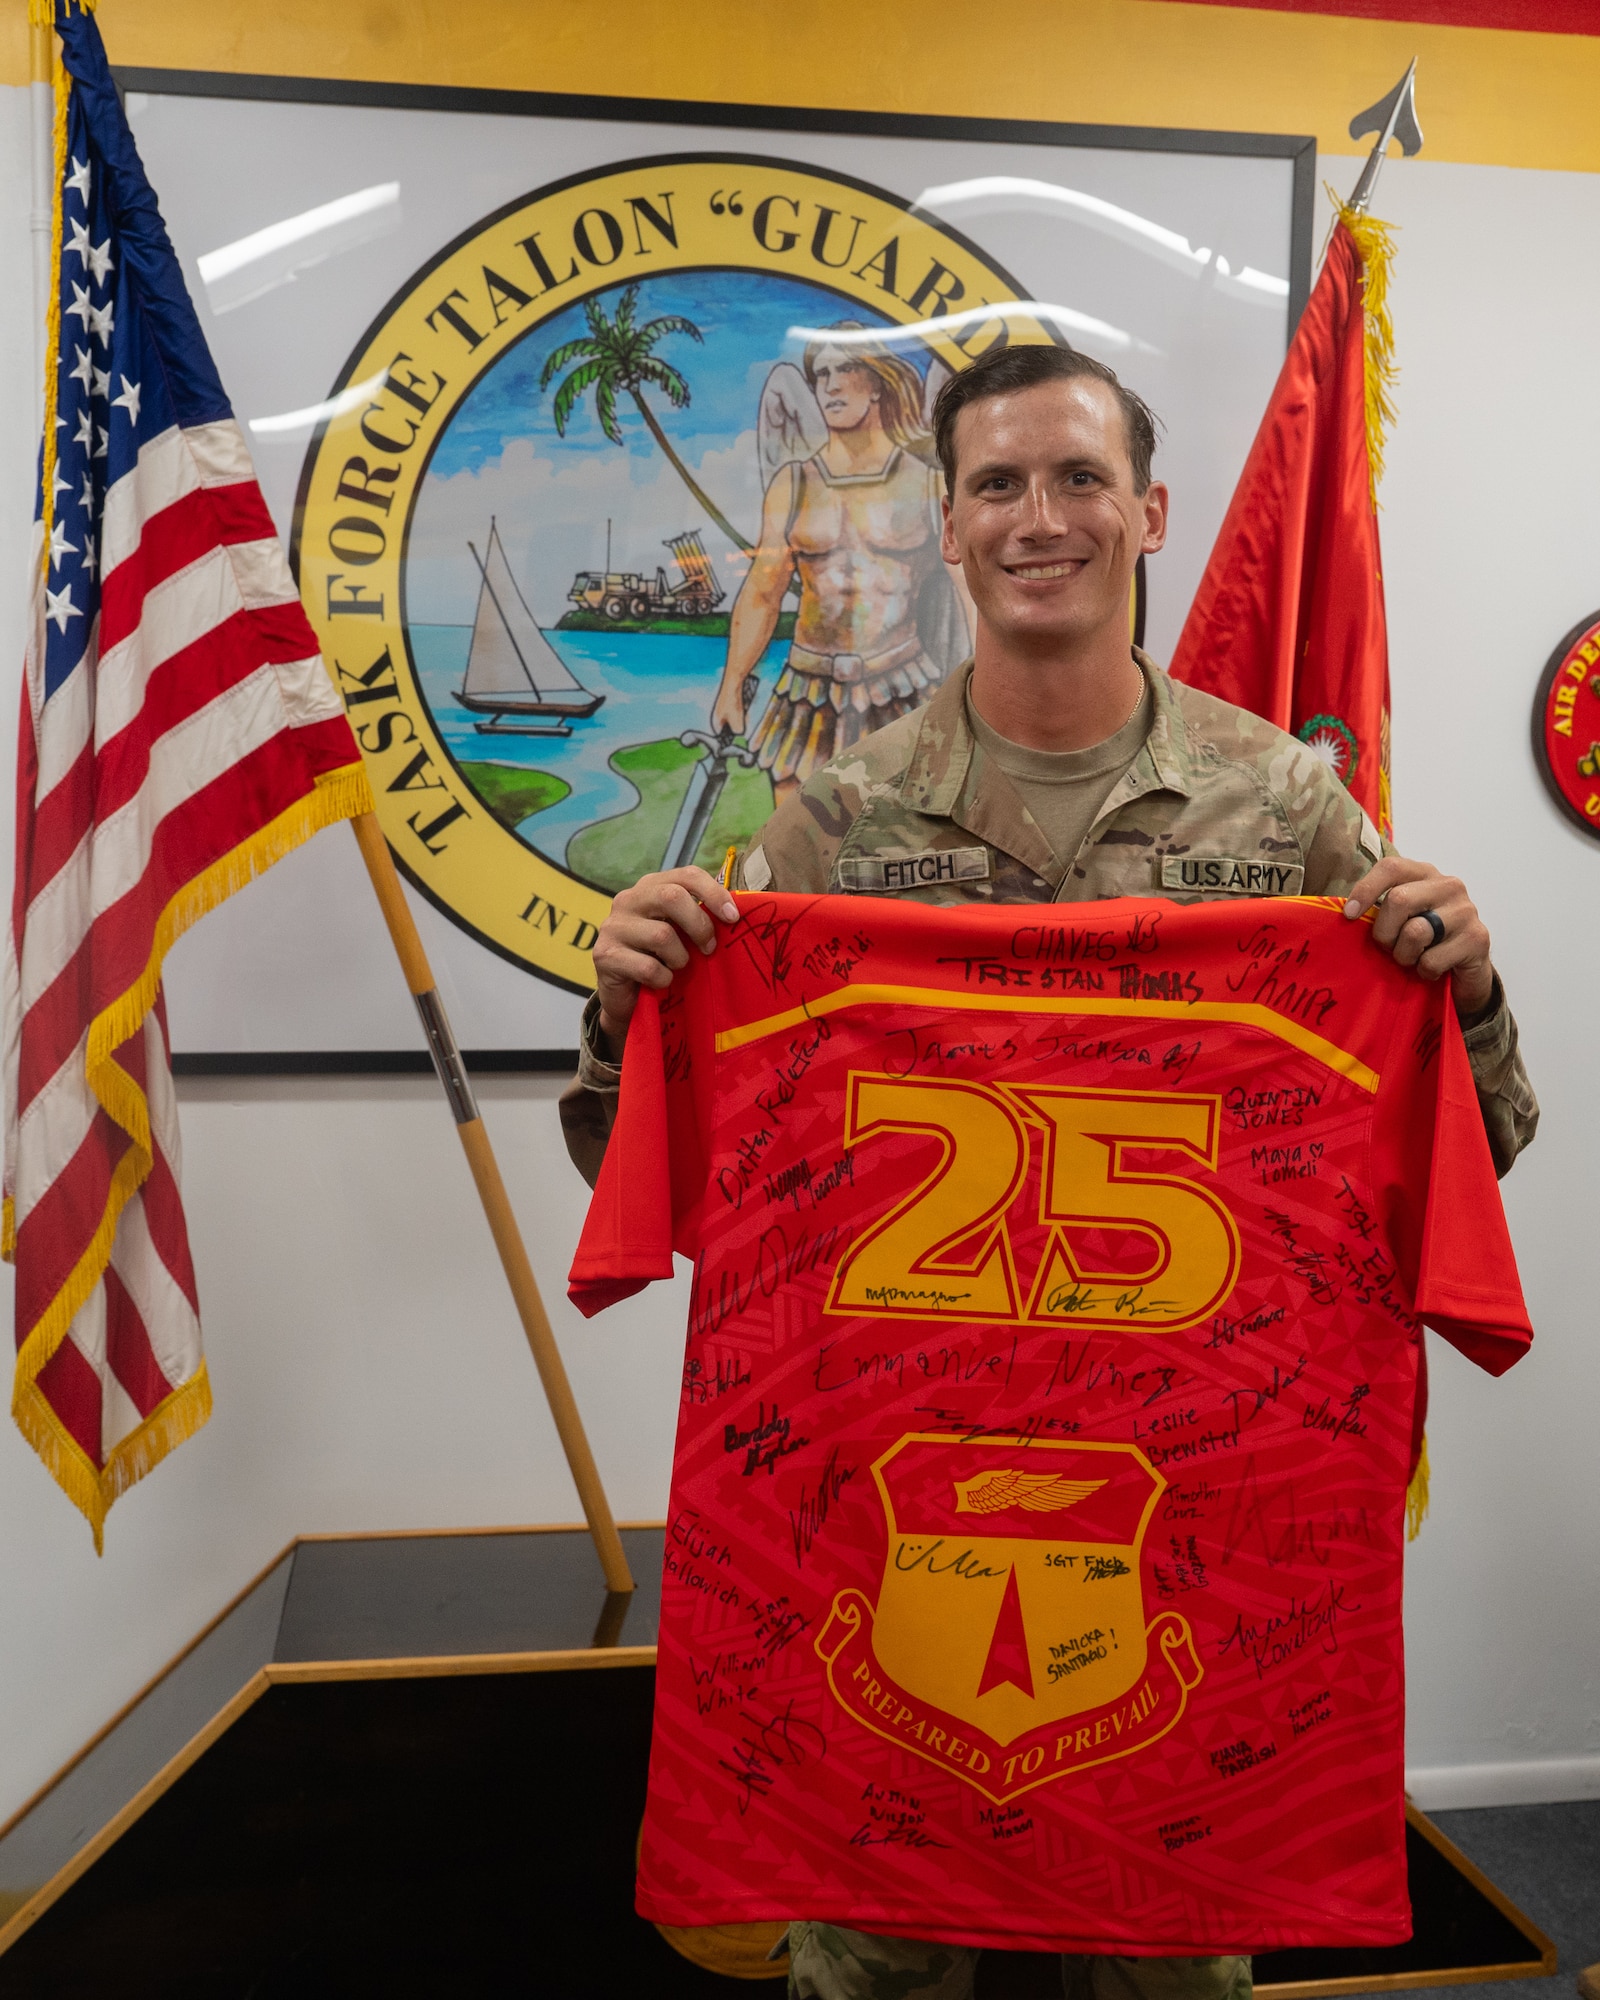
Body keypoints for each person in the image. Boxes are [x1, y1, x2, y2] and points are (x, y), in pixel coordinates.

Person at [560, 342, 1537, 2000]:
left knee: (1179, 1964)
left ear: (1149, 512)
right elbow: (677, 1174)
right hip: (886, 1507)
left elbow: (1465, 1140)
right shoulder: (834, 821)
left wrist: (1465, 980)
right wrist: (633, 1006)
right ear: (945, 528)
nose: (1041, 516)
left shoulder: (1290, 807)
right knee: (874, 1962)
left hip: (1186, 1525)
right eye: (1000, 484)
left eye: (1080, 478)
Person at [711, 323, 968, 802]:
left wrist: (989, 686)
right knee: (790, 846)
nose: (829, 383)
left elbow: (971, 591)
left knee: (905, 845)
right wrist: (732, 683)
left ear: (876, 382)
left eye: (845, 367)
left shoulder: (931, 484)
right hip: (805, 690)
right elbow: (763, 590)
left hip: (903, 687)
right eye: (820, 372)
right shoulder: (793, 483)